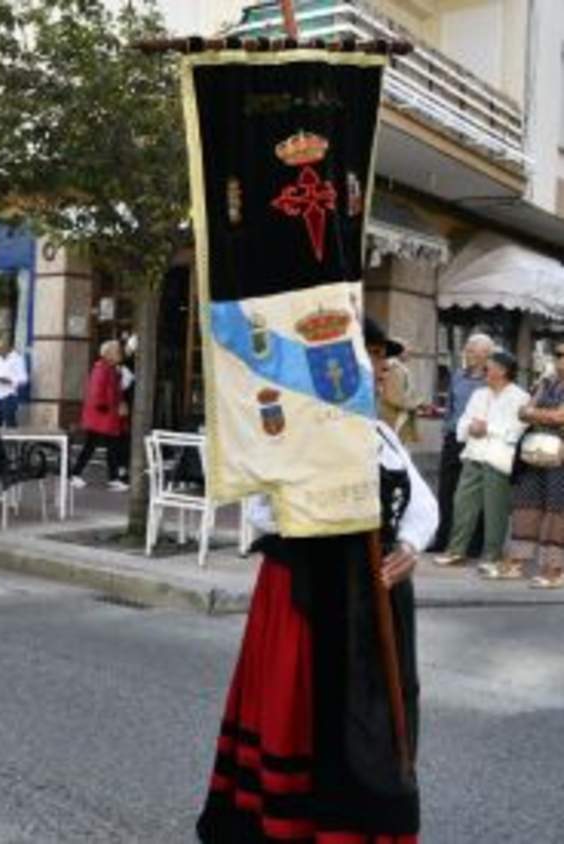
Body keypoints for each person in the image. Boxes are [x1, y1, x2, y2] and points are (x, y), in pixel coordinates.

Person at [197, 317, 436, 843]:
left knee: (375, 724)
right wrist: (327, 510)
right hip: (309, 593)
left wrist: (410, 547)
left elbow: (423, 505)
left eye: (381, 356)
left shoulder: (380, 432)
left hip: (376, 601)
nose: (378, 368)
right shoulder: (293, 426)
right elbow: (261, 512)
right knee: (306, 715)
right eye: (369, 355)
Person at [434, 349, 528, 570]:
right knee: (462, 504)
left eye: (490, 366)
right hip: (474, 453)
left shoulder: (520, 397)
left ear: (503, 371)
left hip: (498, 458)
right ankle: (456, 551)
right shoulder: (479, 394)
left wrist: (488, 429)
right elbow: (463, 421)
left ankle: (491, 556)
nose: (485, 370)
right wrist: (470, 428)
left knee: (495, 509)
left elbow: (517, 430)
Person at [493, 345, 564, 588]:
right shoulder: (547, 381)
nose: (559, 359)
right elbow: (522, 412)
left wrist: (535, 413)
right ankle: (517, 562)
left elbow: (559, 417)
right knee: (527, 503)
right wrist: (540, 414)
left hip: (561, 455)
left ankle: (555, 568)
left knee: (557, 507)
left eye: (563, 355)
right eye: (557, 354)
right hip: (537, 451)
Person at [433, 333, 492, 552]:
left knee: (475, 493)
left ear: (485, 355)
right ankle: (443, 539)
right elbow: (450, 405)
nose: (467, 354)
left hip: (478, 441)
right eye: (467, 350)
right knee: (447, 491)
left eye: (472, 351)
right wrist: (446, 428)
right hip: (453, 439)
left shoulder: (492, 379)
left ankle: (475, 544)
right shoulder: (458, 375)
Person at [70, 340, 129, 492]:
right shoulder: (102, 369)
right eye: (116, 351)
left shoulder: (110, 368)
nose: (119, 353)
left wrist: (119, 404)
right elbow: (97, 391)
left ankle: (112, 478)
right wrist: (106, 407)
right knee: (93, 446)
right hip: (101, 416)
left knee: (108, 447)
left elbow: (115, 391)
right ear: (108, 354)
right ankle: (76, 474)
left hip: (106, 416)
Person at [379, 340, 422, 444]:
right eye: (407, 349)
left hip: (400, 420)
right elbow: (395, 398)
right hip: (394, 420)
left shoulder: (400, 368)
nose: (410, 352)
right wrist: (416, 403)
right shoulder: (393, 368)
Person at [0, 336, 28, 429]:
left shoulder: (17, 359)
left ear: (9, 347)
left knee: (10, 425)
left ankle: (12, 443)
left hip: (9, 396)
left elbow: (24, 379)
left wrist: (9, 380)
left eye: (2, 348)